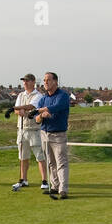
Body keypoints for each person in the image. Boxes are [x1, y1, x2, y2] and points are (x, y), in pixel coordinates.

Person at [34, 71, 71, 199]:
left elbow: (56, 107)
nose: (45, 82)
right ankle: (54, 186)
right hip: (45, 133)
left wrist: (42, 110)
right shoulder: (43, 99)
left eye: (48, 80)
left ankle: (63, 189)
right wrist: (40, 116)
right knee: (51, 163)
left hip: (58, 134)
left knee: (61, 162)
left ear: (55, 81)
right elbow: (36, 119)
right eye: (44, 80)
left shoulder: (63, 96)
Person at [11, 73, 47, 191]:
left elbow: (32, 107)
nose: (25, 83)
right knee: (23, 156)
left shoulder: (39, 95)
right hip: (21, 129)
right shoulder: (21, 95)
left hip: (34, 130)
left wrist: (22, 110)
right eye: (24, 81)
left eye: (27, 81)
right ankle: (24, 180)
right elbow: (17, 109)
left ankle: (44, 181)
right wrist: (20, 111)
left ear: (33, 82)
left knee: (39, 156)